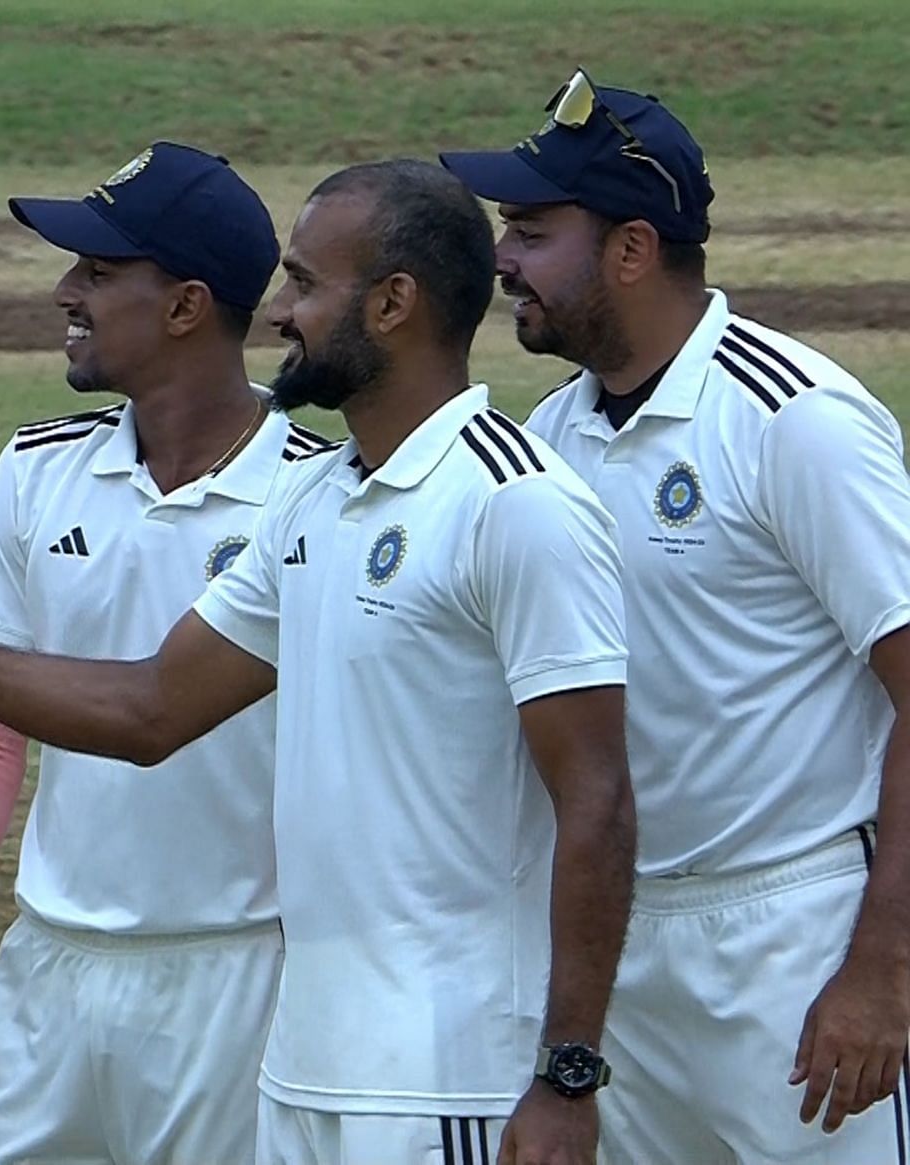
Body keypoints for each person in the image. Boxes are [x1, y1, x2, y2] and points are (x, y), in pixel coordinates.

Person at [0, 158, 636, 1165]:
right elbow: (152, 708)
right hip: (306, 1069)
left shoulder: (519, 503)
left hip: (447, 1068)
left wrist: (567, 1073)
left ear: (393, 303)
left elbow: (597, 798)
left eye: (303, 285)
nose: (279, 312)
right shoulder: (321, 502)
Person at [443, 71, 910, 1164]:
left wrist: (884, 964)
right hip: (616, 952)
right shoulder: (550, 435)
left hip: (794, 948)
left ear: (632, 249)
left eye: (533, 230)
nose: (502, 257)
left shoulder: (797, 421)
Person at [0, 142, 316, 1162]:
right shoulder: (38, 470)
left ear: (185, 305)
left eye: (98, 272)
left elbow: (152, 717)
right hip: (47, 978)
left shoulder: (318, 495)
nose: (66, 291)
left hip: (241, 983)